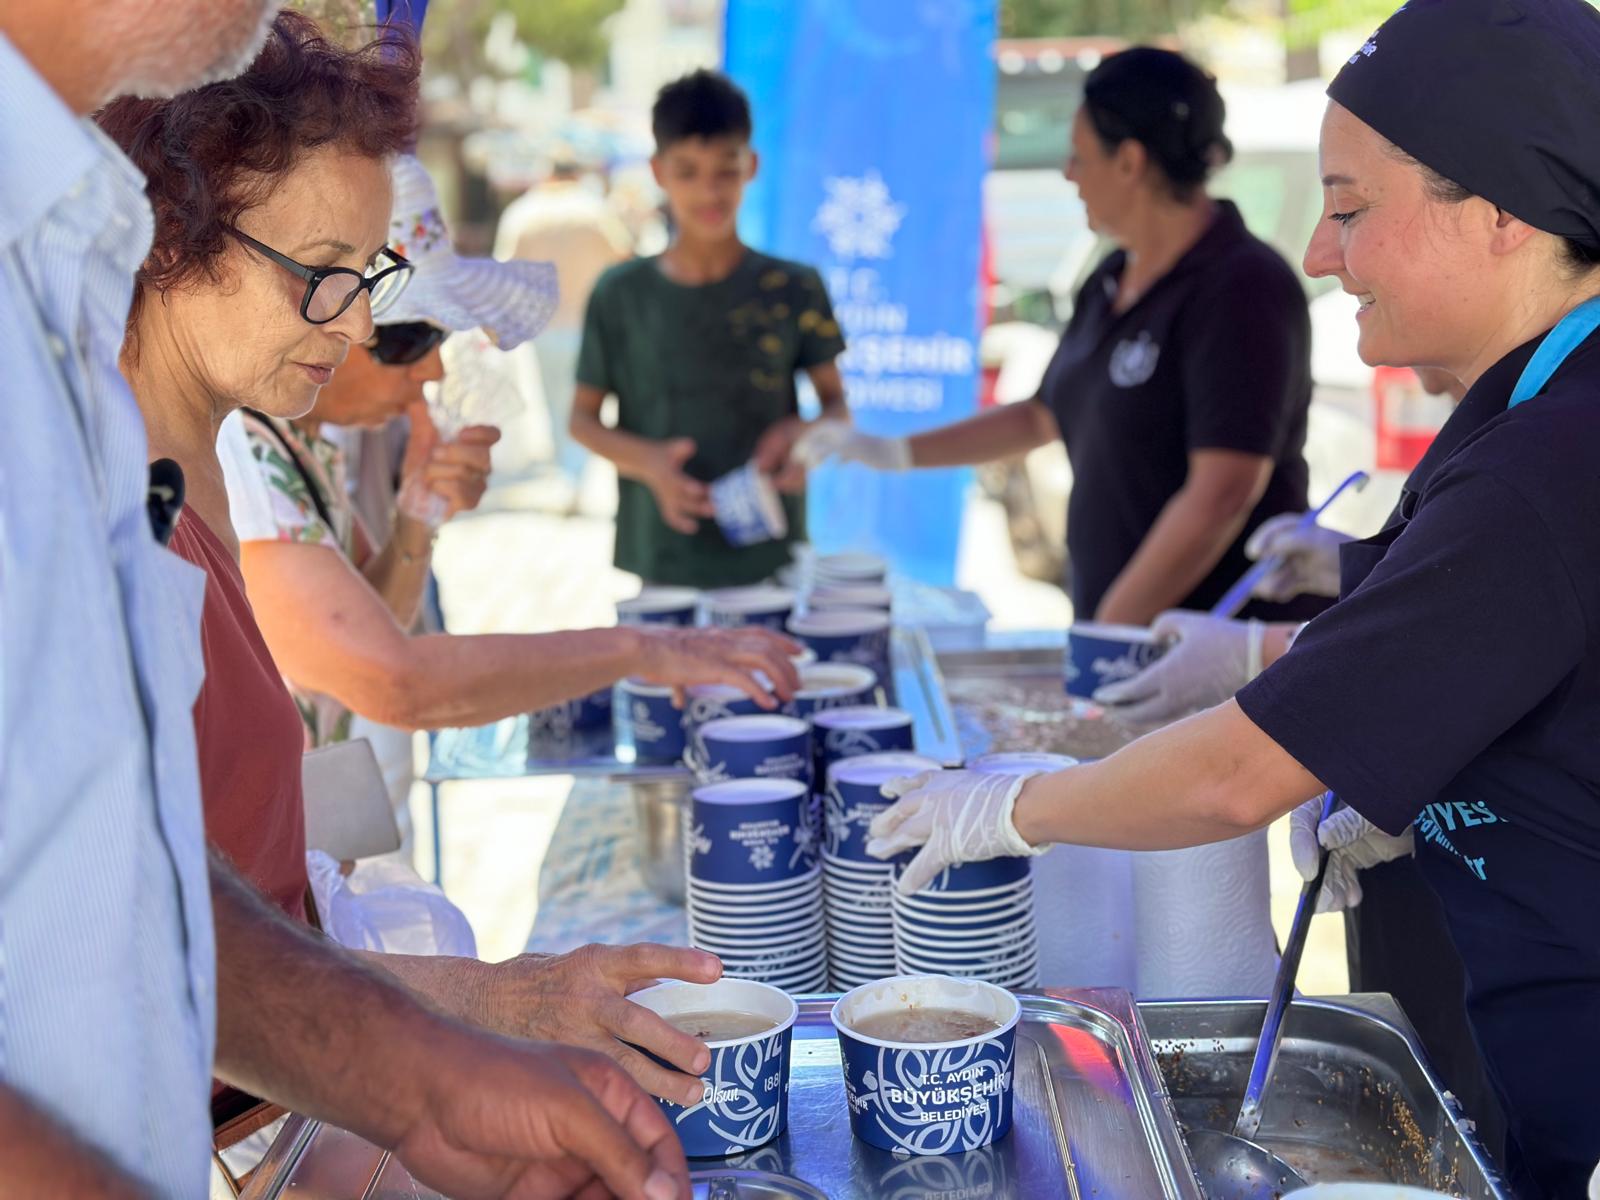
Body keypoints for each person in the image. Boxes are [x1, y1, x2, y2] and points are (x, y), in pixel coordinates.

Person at [866, 2, 1600, 1193]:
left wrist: (1014, 809)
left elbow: (1232, 780)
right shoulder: (1526, 418)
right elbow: (1468, 631)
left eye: (1351, 209)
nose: (1318, 251)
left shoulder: (1547, 461)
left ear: (1502, 214)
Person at [0, 4, 692, 1199]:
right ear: (172, 234)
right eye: (325, 279)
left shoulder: (130, 441)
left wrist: (446, 1052)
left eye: (367, 282)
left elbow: (142, 883)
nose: (368, 328)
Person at [198, 150, 796, 757]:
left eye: (436, 339)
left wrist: (416, 515)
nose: (432, 368)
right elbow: (396, 682)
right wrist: (642, 650)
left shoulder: (304, 437)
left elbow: (376, 620)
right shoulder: (245, 456)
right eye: (406, 340)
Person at [798, 47, 1324, 629]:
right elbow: (1041, 417)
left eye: (1079, 156)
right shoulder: (1110, 278)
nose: (1068, 174)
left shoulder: (1241, 286)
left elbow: (1222, 492)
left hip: (1215, 649)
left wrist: (1110, 631)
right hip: (1125, 634)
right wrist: (889, 451)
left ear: (1129, 161)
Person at [571, 68, 850, 589]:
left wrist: (804, 437)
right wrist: (650, 463)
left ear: (752, 166)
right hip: (661, 560)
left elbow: (837, 408)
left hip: (771, 559)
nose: (709, 191)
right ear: (657, 171)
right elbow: (582, 421)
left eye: (726, 169)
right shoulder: (620, 293)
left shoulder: (794, 287)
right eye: (688, 171)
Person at [495, 145, 632, 495]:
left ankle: (566, 473)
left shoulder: (523, 213)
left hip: (542, 325)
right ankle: (574, 474)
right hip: (588, 325)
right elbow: (623, 261)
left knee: (554, 400)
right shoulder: (595, 211)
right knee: (584, 401)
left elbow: (505, 273)